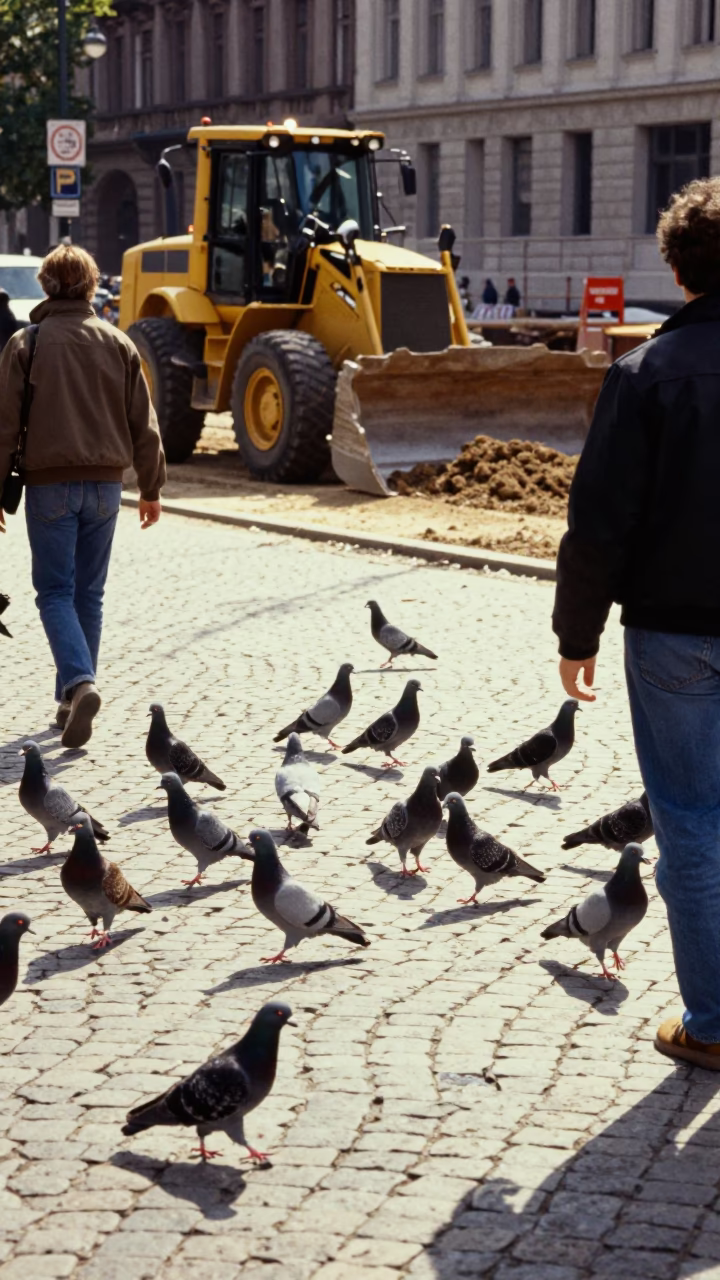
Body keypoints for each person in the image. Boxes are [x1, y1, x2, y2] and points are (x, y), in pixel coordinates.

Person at [552, 175, 720, 1071]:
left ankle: (714, 1025)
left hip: (673, 632)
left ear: (676, 267)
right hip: (675, 629)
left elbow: (599, 521)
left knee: (691, 824)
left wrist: (575, 635)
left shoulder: (645, 373)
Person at [0, 244, 165, 748]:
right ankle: (71, 701)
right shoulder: (119, 342)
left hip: (49, 484)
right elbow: (145, 422)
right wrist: (152, 486)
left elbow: (4, 427)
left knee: (53, 593)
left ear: (48, 285)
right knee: (87, 595)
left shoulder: (27, 343)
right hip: (107, 486)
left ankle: (79, 683)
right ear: (93, 286)